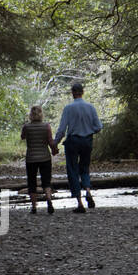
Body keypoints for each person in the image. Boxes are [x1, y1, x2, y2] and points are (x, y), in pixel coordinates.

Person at [54, 81, 102, 214]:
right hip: (87, 141)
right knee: (85, 168)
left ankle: (79, 203)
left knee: (72, 170)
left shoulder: (68, 108)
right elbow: (98, 127)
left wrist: (55, 143)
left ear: (72, 93)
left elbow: (62, 129)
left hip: (73, 141)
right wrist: (88, 130)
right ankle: (87, 190)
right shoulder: (91, 107)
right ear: (83, 92)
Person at [20, 105, 57, 214]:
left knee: (32, 182)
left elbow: (22, 137)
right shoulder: (47, 126)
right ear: (41, 114)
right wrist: (54, 150)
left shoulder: (26, 127)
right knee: (46, 181)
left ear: (31, 115)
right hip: (45, 157)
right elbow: (50, 141)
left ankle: (34, 207)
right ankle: (49, 200)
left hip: (31, 158)